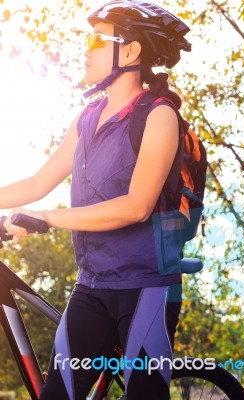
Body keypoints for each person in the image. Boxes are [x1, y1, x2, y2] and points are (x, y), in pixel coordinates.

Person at [0, 1, 191, 399]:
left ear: (132, 51)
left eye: (96, 40)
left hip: (145, 289)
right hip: (91, 286)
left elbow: (136, 205)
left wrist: (47, 218)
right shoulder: (87, 118)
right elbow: (39, 182)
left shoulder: (159, 116)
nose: (86, 50)